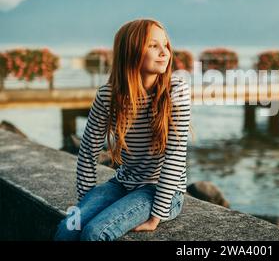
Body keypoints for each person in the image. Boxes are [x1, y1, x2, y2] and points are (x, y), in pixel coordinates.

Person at [54, 19, 191, 241]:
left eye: (165, 45)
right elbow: (88, 150)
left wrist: (156, 216)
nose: (164, 52)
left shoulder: (177, 90)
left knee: (94, 233)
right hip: (123, 183)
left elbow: (176, 155)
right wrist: (86, 202)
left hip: (161, 191)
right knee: (69, 227)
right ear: (131, 51)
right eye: (153, 45)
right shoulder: (108, 95)